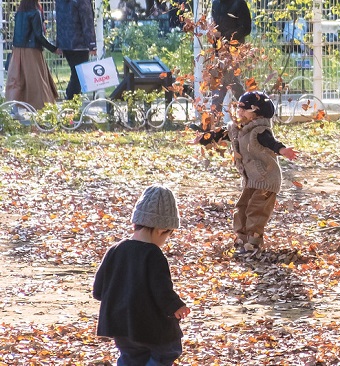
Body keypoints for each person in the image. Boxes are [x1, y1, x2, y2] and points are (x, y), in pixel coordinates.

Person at [93, 184, 191, 365]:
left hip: (120, 325)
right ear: (162, 230)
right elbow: (161, 289)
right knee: (169, 350)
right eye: (167, 236)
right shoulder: (153, 254)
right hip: (150, 327)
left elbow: (98, 291)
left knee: (131, 357)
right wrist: (176, 306)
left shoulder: (114, 250)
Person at [198, 92, 298, 253]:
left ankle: (254, 242)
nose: (239, 112)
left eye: (244, 109)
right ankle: (242, 239)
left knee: (256, 210)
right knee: (242, 207)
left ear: (256, 112)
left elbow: (271, 142)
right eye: (238, 108)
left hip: (266, 179)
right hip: (251, 179)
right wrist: (205, 138)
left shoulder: (259, 130)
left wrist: (282, 150)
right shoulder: (237, 129)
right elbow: (221, 134)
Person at [5, 0, 60, 111]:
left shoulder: (19, 12)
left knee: (16, 80)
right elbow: (39, 35)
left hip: (17, 50)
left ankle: (14, 110)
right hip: (32, 51)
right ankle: (42, 110)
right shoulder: (35, 12)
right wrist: (53, 48)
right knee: (37, 81)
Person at [210, 0, 252, 120]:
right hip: (220, 51)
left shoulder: (239, 3)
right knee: (234, 85)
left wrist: (226, 37)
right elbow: (214, 25)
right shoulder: (216, 3)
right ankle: (250, 112)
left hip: (235, 51)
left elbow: (246, 28)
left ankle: (212, 122)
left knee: (222, 84)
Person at [55, 0, 97, 100]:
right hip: (79, 43)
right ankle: (70, 101)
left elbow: (59, 21)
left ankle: (70, 101)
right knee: (79, 76)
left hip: (65, 42)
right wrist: (92, 44)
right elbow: (87, 21)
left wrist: (59, 42)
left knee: (76, 74)